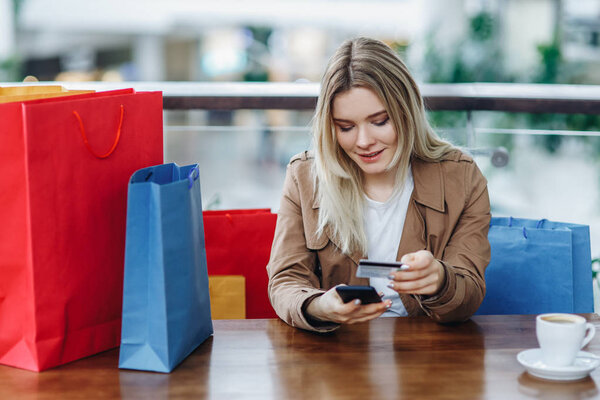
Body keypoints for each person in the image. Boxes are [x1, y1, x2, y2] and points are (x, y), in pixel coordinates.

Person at [267, 37, 491, 332]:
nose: (363, 142)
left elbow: (470, 291)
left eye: (380, 121)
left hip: (428, 354)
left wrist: (440, 280)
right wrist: (320, 306)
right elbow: (285, 280)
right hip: (338, 353)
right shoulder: (304, 176)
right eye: (346, 127)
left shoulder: (462, 178)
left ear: (406, 111)